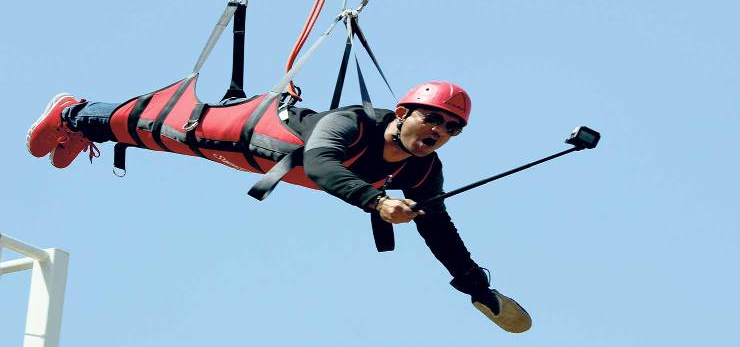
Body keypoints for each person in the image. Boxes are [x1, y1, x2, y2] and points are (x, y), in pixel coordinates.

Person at [25, 81, 532, 333]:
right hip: (262, 138)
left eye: (451, 128)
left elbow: (439, 229)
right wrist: (377, 201)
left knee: (168, 137)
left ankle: (83, 127)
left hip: (268, 164)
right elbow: (321, 164)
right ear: (403, 113)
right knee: (167, 128)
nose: (440, 131)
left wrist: (477, 287)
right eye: (433, 119)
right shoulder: (353, 124)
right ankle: (73, 114)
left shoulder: (423, 171)